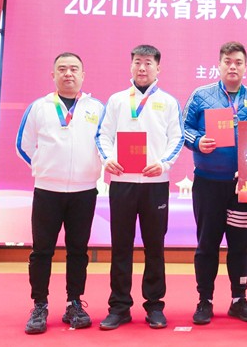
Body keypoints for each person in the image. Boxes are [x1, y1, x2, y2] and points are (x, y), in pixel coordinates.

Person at [95, 44, 184, 330]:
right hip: (122, 183)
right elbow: (102, 135)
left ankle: (155, 306)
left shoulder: (168, 102)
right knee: (120, 247)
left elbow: (177, 138)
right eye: (137, 62)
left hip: (155, 184)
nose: (142, 67)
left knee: (154, 247)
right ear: (131, 65)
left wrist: (164, 164)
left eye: (148, 63)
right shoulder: (117, 100)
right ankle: (119, 306)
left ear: (158, 68)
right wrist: (107, 159)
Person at [16, 52, 104, 334]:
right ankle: (39, 305)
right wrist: (44, 168)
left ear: (83, 75)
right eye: (62, 69)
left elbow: (105, 144)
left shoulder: (96, 108)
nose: (68, 74)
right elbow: (24, 145)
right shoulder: (39, 107)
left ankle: (74, 303)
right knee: (42, 251)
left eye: (74, 69)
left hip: (84, 191)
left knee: (78, 251)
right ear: (52, 75)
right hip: (47, 191)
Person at [182, 41, 247, 325]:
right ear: (219, 65)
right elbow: (182, 128)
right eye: (228, 61)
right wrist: (197, 141)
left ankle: (239, 299)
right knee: (207, 244)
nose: (232, 67)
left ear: (245, 67)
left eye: (238, 62)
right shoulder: (201, 95)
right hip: (208, 184)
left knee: (241, 244)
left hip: (244, 186)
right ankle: (205, 300)